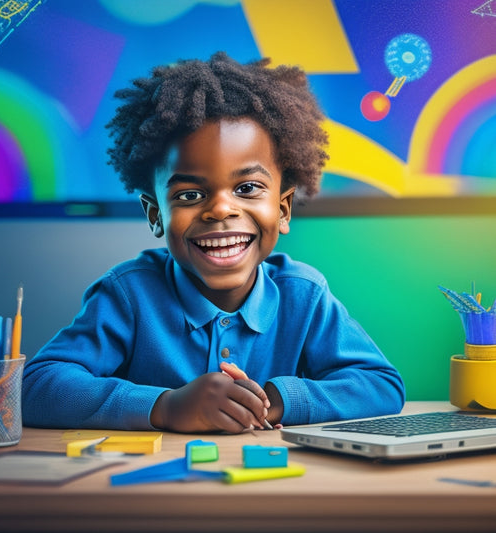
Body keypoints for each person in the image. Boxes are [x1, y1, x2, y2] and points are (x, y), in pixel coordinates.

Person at [22, 52, 405, 433]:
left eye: (248, 188)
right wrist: (166, 406)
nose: (221, 209)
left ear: (284, 209)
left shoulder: (302, 295)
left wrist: (271, 401)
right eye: (189, 195)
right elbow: (36, 387)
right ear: (155, 214)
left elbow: (381, 385)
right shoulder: (129, 294)